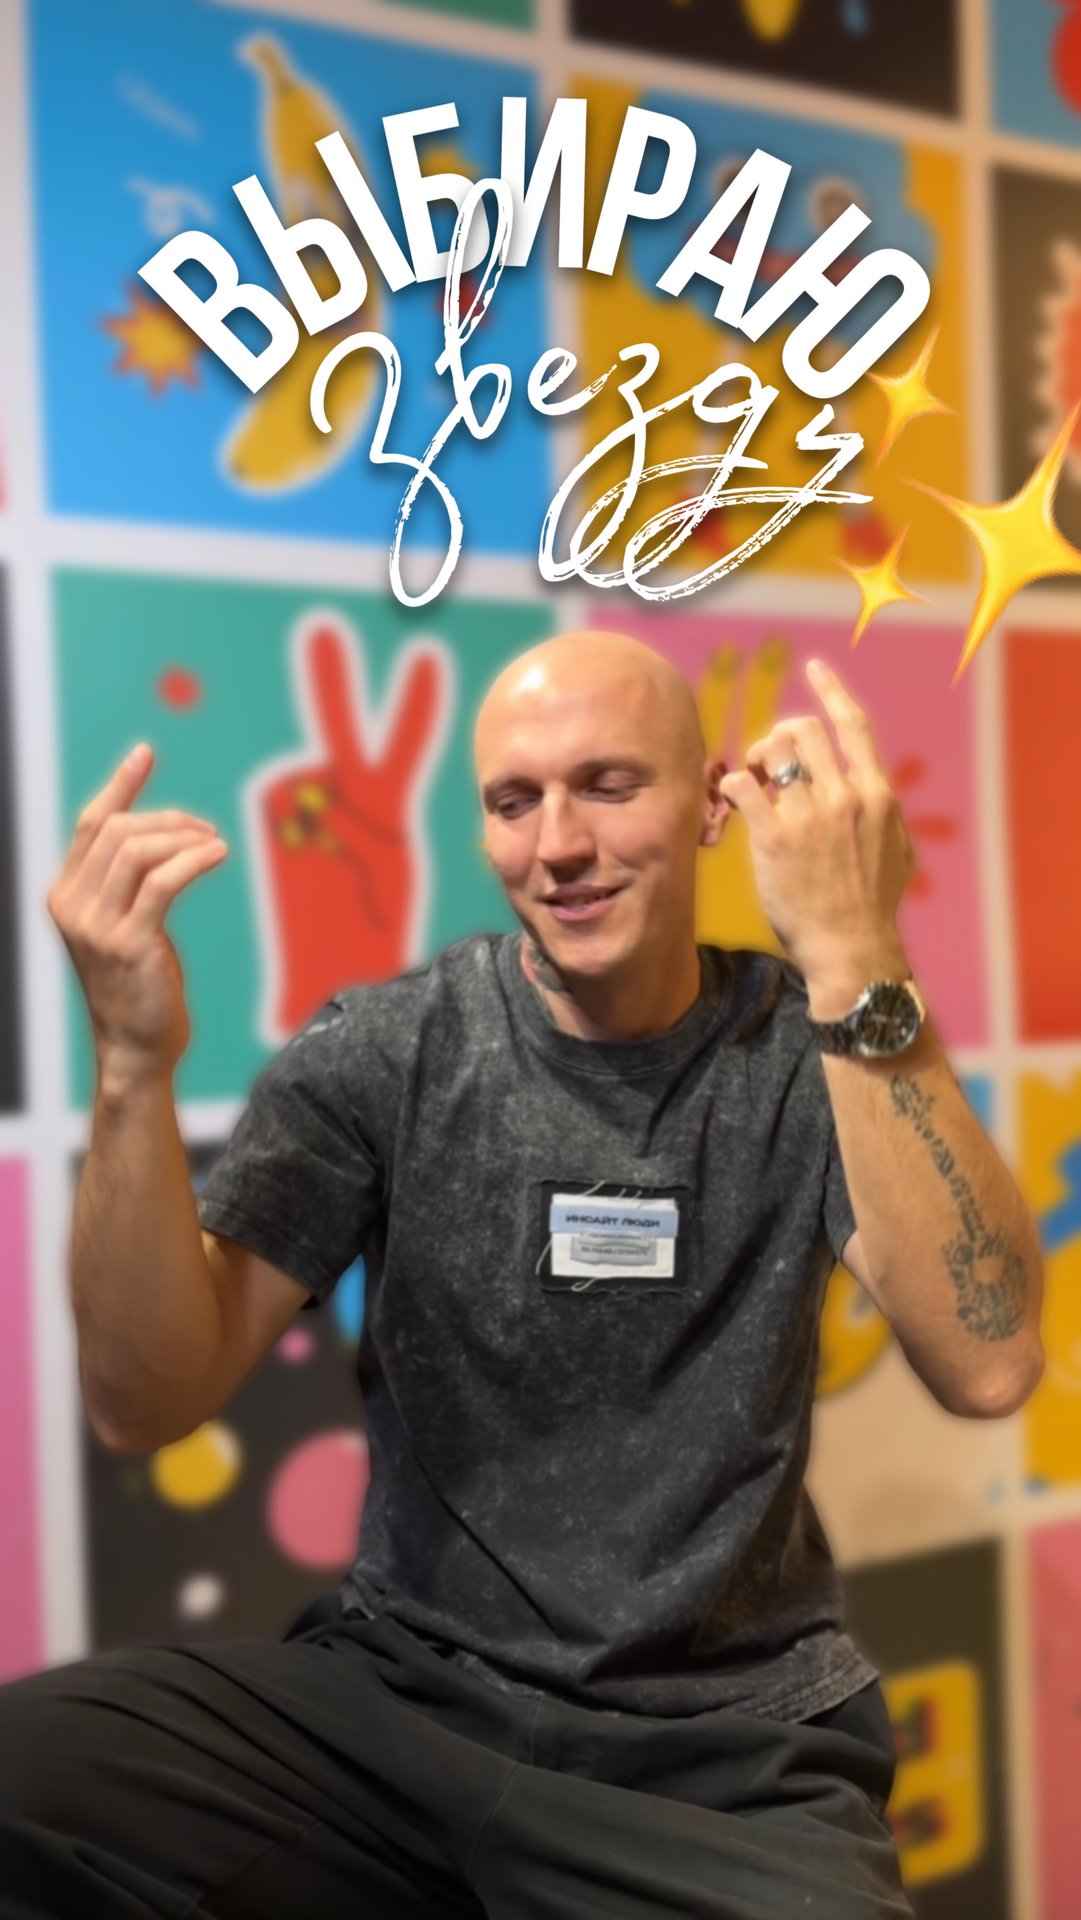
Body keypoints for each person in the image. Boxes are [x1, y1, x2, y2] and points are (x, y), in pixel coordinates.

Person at [0, 630, 1043, 1918]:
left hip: (727, 1759)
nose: (558, 844)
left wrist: (854, 950)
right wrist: (129, 1065)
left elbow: (990, 1362)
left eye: (608, 786)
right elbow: (144, 1396)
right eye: (514, 801)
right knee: (25, 1773)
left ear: (709, 803)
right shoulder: (390, 1050)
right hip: (405, 1707)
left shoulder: (805, 1049)